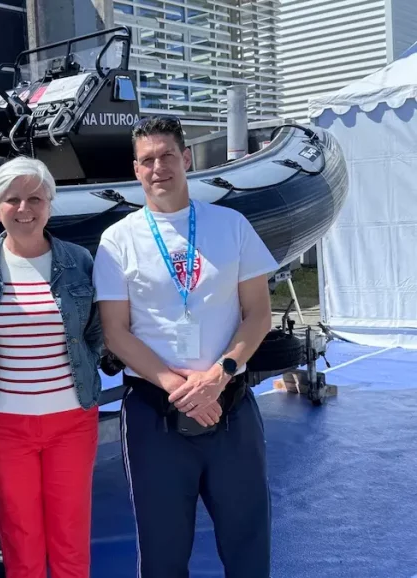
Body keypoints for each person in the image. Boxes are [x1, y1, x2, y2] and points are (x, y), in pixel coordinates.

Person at [92, 116, 278, 577]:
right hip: (155, 413)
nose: (158, 167)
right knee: (163, 554)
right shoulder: (118, 240)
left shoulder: (231, 225)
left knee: (248, 546)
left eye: (167, 155)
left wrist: (219, 376)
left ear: (187, 159)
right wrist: (182, 388)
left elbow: (258, 313)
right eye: (147, 160)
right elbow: (115, 331)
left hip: (229, 405)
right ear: (136, 169)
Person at [0, 156, 103, 578]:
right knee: (19, 536)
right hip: (5, 423)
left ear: (49, 204)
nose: (24, 208)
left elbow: (95, 331)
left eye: (35, 199)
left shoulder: (79, 261)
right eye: (12, 199)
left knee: (70, 535)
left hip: (72, 420)